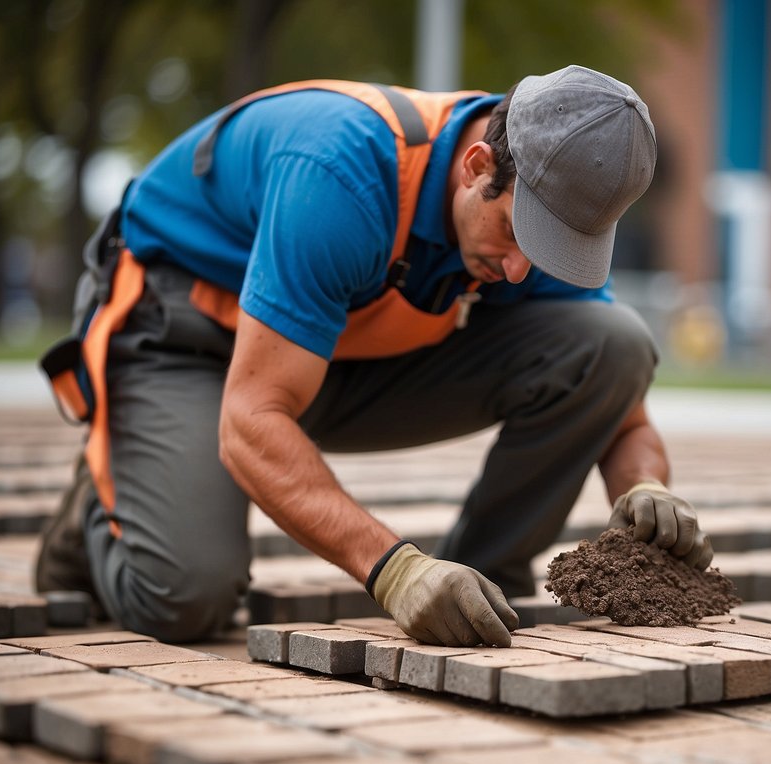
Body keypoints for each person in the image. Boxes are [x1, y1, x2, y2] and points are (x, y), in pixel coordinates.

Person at [37, 64, 714, 646]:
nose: (518, 270)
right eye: (512, 232)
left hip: (327, 351)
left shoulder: (543, 207)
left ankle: (479, 582)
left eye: (546, 250)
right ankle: (103, 503)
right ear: (477, 168)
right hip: (183, 340)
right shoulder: (340, 175)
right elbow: (251, 421)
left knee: (614, 342)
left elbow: (618, 403)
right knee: (185, 596)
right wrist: (393, 569)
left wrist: (644, 490)